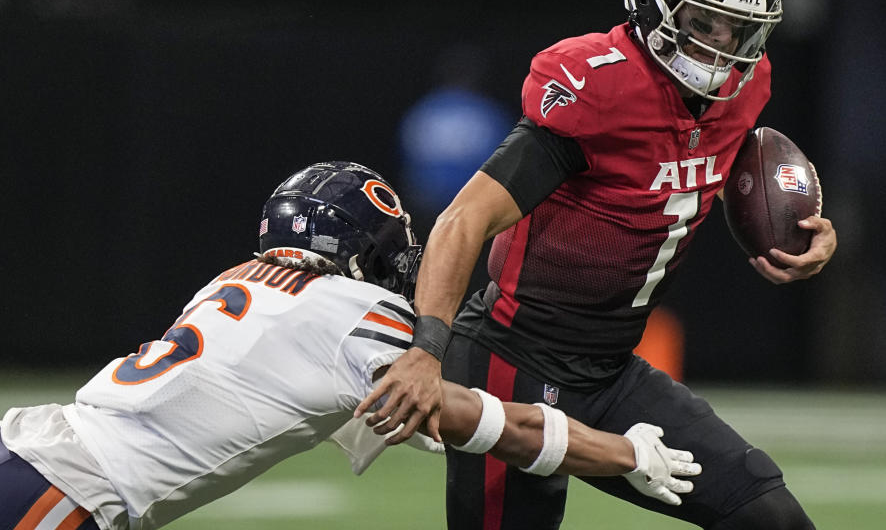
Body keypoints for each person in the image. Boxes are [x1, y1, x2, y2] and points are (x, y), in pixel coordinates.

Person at [358, 0, 837, 530]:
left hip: (611, 372)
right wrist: (427, 350)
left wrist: (793, 226)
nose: (725, 47)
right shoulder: (599, 86)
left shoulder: (745, 86)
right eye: (707, 22)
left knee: (769, 515)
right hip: (512, 360)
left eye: (740, 30)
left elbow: (698, 163)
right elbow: (463, 220)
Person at [0, 161, 702, 530]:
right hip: (70, 492)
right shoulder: (353, 314)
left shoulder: (231, 280)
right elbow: (490, 425)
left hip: (28, 448)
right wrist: (625, 452)